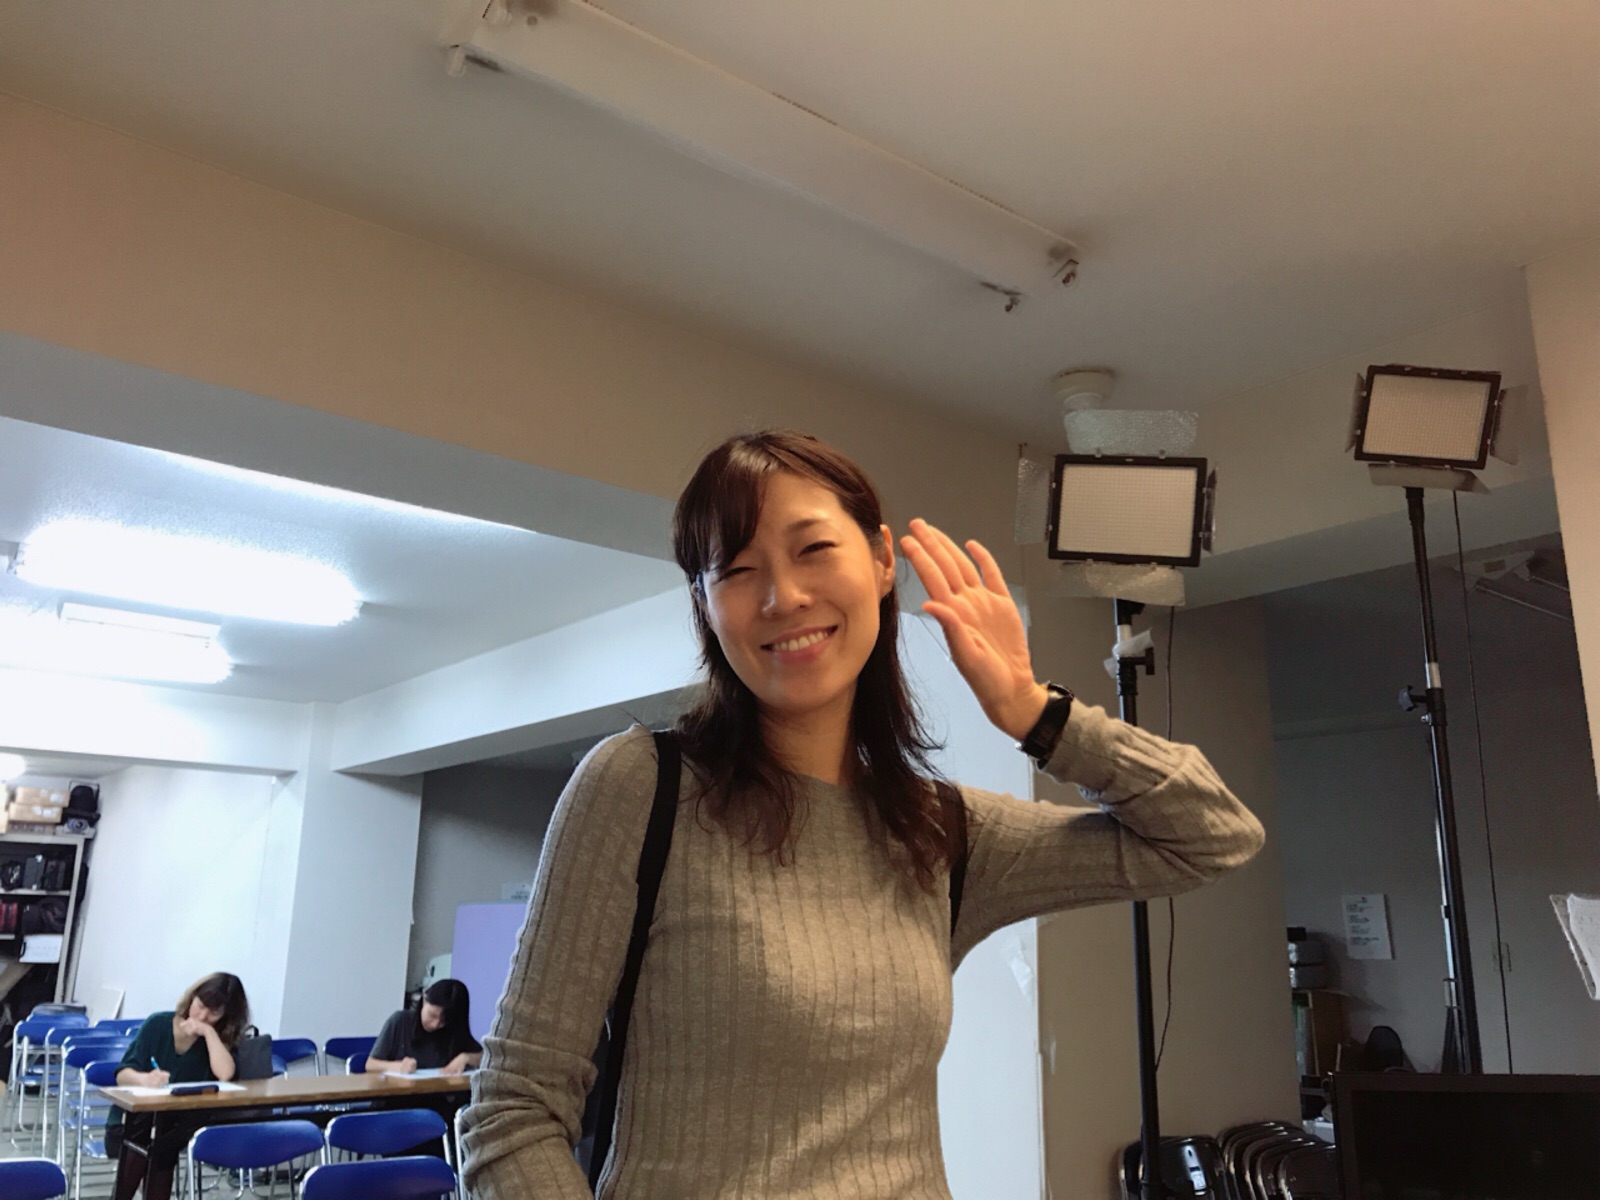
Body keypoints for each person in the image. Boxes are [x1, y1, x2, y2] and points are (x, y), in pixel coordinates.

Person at [460, 430, 1266, 1199]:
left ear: (882, 560)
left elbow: (1211, 835)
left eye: (813, 548)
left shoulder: (938, 831)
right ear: (704, 604)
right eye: (735, 569)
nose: (783, 596)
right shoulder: (642, 786)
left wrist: (1034, 712)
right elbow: (513, 1108)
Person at [107, 971, 250, 1200]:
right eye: (200, 1005)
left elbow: (225, 1074)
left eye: (213, 1013)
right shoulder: (158, 1024)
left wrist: (208, 1033)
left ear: (226, 1016)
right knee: (149, 1142)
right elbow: (122, 1075)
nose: (202, 1016)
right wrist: (144, 1079)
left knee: (164, 1141)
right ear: (191, 998)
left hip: (177, 1125)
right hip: (131, 1121)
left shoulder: (216, 1041)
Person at [366, 978, 482, 1076]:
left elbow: (486, 1057)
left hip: (439, 1093)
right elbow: (370, 1065)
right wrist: (398, 1066)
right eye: (432, 1015)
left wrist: (466, 1057)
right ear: (424, 1000)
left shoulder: (453, 1029)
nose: (435, 1024)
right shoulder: (400, 1021)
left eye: (443, 1021)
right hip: (398, 1093)